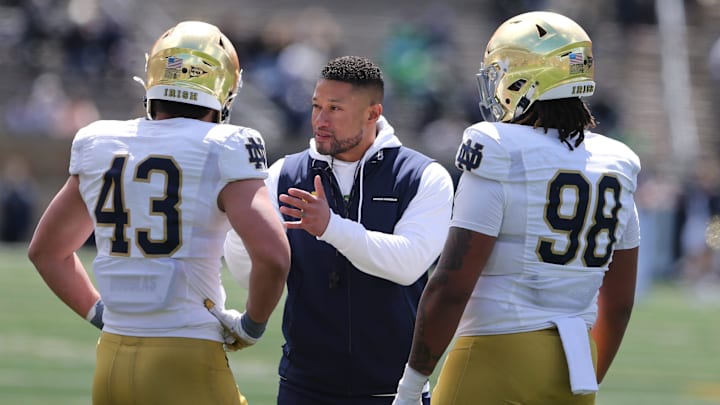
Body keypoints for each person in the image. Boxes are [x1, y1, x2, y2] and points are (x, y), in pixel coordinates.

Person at [27, 20, 291, 405]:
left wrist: (99, 312)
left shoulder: (100, 141)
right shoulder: (226, 145)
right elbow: (273, 257)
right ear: (225, 88)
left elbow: (47, 251)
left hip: (111, 360)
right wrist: (251, 325)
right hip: (187, 357)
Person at [393, 11, 641, 405]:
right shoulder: (617, 162)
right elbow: (620, 301)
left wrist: (408, 388)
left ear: (527, 78)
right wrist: (590, 377)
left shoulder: (498, 146)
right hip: (574, 370)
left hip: (494, 356)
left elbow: (452, 285)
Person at [222, 55, 454, 404]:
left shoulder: (423, 176)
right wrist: (242, 233)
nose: (319, 119)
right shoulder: (283, 174)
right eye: (316, 106)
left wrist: (331, 226)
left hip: (394, 390)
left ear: (373, 114)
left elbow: (408, 264)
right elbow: (246, 274)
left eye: (334, 108)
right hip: (304, 386)